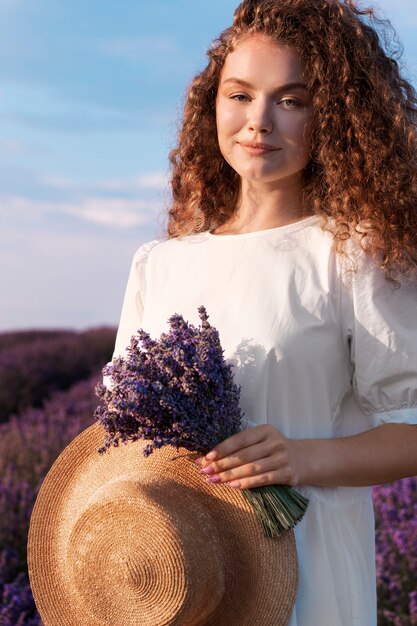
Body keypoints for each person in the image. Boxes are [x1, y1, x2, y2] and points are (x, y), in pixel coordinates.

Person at [111, 0, 417, 624]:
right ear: (212, 105)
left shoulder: (351, 254)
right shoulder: (159, 264)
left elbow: (411, 430)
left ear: (332, 117)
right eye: (240, 94)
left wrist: (303, 458)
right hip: (186, 577)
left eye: (293, 100)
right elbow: (118, 438)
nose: (259, 122)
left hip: (308, 576)